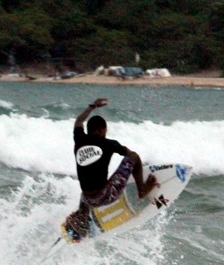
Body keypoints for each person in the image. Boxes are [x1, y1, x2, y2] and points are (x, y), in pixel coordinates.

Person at [64, 98, 157, 240]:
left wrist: (92, 106)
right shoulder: (109, 144)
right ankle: (142, 190)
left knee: (86, 194)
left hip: (88, 199)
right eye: (105, 130)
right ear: (101, 130)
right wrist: (137, 168)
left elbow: (78, 121)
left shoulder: (79, 140)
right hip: (106, 195)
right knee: (134, 156)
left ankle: (82, 221)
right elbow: (129, 154)